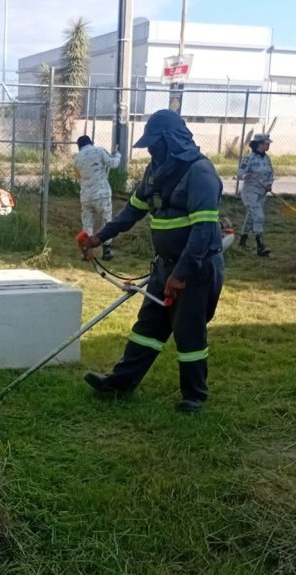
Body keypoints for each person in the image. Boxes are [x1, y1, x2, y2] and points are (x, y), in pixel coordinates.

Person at [79, 110, 225, 414]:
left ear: (172, 141)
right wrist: (98, 238)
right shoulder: (154, 172)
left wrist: (181, 274)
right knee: (147, 327)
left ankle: (194, 396)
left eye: (155, 144)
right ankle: (121, 382)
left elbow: (203, 231)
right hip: (165, 266)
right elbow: (131, 212)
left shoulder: (200, 173)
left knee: (189, 332)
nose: (150, 150)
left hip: (194, 268)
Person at [74, 135, 122, 261]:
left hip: (85, 196)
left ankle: (87, 251)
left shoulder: (77, 159)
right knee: (106, 221)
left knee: (87, 224)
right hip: (102, 194)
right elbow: (114, 164)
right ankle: (107, 250)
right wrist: (117, 155)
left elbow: (78, 176)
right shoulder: (99, 151)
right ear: (91, 142)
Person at [236, 133, 274, 257]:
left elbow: (271, 173)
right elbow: (240, 173)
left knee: (251, 217)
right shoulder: (249, 158)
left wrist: (269, 184)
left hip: (262, 192)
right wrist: (247, 175)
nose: (268, 145)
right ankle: (260, 247)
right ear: (259, 144)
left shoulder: (266, 158)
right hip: (250, 192)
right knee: (258, 216)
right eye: (266, 143)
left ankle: (243, 240)